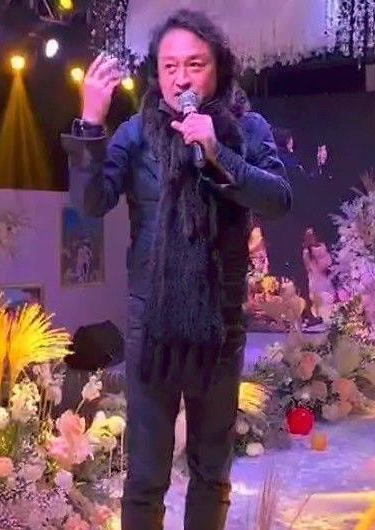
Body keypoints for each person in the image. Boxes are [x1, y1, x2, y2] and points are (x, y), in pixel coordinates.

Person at [61, 10, 291, 530]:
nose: (181, 78)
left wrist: (218, 152)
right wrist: (91, 124)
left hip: (220, 324)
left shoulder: (248, 128)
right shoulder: (135, 133)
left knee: (211, 469)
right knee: (145, 474)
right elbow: (90, 203)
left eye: (194, 64)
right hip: (152, 325)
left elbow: (279, 199)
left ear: (219, 67)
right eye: (169, 66)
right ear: (156, 73)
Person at [302, 227, 335, 323]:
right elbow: (308, 267)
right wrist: (318, 265)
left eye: (313, 236)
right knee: (319, 300)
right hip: (315, 278)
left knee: (329, 298)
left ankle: (330, 318)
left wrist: (326, 266)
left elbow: (328, 259)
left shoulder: (322, 246)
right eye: (309, 237)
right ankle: (322, 318)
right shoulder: (307, 252)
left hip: (325, 277)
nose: (312, 238)